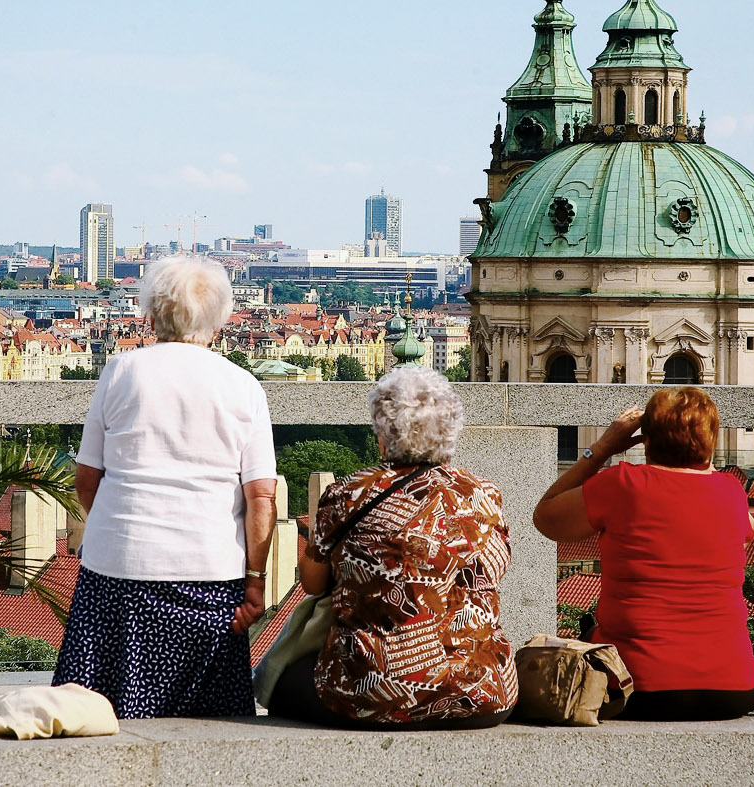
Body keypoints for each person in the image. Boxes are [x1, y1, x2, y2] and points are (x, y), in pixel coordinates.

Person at [51, 256, 278, 719]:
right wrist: (255, 583)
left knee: (100, 720)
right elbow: (261, 498)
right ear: (219, 319)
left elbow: (86, 480)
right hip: (211, 578)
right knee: (211, 729)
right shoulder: (244, 385)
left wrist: (119, 527)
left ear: (151, 315)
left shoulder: (120, 371)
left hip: (118, 573)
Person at [267, 366, 517, 730]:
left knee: (278, 682)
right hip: (486, 694)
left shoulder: (349, 494)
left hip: (375, 696)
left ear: (383, 434)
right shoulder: (483, 494)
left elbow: (312, 583)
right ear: (450, 432)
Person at [533, 387, 754, 722]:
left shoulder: (623, 484)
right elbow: (750, 531)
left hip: (637, 688)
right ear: (710, 442)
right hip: (734, 691)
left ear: (646, 441)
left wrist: (602, 447)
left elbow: (546, 518)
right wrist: (706, 464)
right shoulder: (730, 491)